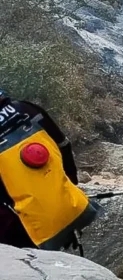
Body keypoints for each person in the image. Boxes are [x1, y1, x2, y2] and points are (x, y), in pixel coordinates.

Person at [0, 89, 97, 250]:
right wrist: (70, 182)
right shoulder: (26, 108)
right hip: (71, 207)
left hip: (22, 230)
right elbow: (63, 145)